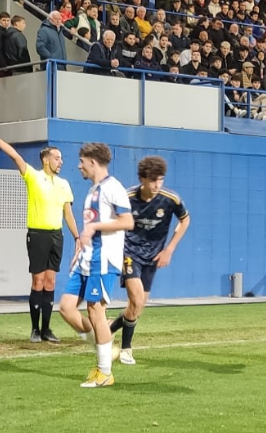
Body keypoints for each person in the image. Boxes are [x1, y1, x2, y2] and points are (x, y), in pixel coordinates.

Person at [0, 125, 80, 345]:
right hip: (37, 235)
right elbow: (14, 155)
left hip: (56, 236)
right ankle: (35, 329)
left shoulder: (64, 184)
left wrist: (77, 237)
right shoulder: (33, 177)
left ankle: (46, 329)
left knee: (51, 281)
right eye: (57, 158)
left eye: (61, 158)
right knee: (38, 281)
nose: (61, 161)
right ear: (46, 160)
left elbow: (69, 215)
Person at [58, 143, 134, 388]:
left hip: (104, 259)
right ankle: (106, 347)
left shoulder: (114, 188)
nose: (78, 165)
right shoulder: (93, 190)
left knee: (95, 312)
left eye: (82, 161)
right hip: (87, 258)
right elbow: (90, 226)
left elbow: (127, 221)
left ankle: (104, 372)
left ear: (93, 161)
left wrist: (94, 228)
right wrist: (81, 245)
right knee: (66, 308)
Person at [109, 156, 190, 365]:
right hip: (129, 253)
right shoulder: (127, 197)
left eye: (160, 180)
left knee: (138, 308)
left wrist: (170, 249)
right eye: (152, 180)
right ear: (142, 179)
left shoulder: (170, 199)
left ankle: (108, 329)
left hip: (152, 257)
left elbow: (185, 219)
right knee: (135, 299)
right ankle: (126, 349)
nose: (157, 185)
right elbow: (112, 219)